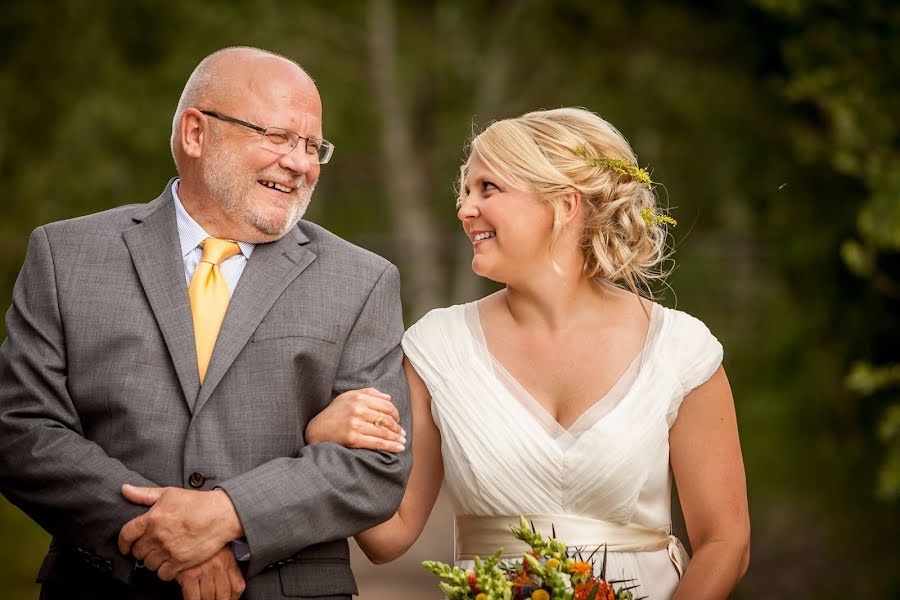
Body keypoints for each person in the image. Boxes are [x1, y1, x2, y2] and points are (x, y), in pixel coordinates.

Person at [0, 47, 412, 600]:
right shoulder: (66, 254)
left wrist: (228, 516)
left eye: (313, 146)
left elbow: (375, 466)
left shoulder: (363, 279)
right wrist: (159, 533)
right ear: (196, 133)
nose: (301, 163)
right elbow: (21, 429)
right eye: (279, 137)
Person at [307, 108, 750, 599]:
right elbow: (389, 536)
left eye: (487, 189)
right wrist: (325, 446)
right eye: (465, 192)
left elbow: (725, 542)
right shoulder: (437, 347)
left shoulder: (681, 349)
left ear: (564, 204)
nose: (464, 209)